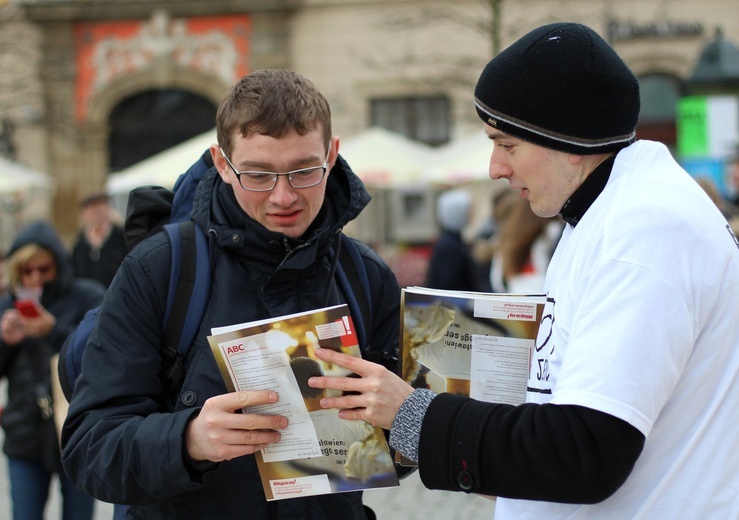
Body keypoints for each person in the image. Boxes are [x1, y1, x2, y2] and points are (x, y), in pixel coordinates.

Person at [306, 22, 739, 518]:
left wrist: (413, 415)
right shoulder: (604, 212)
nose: (495, 167)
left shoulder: (641, 231)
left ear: (565, 137)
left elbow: (586, 452)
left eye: (506, 144)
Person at [61, 69, 401, 520]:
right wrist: (190, 441)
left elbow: (395, 450)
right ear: (222, 163)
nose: (283, 197)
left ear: (332, 155)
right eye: (258, 175)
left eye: (303, 171)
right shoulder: (161, 267)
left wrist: (409, 427)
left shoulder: (366, 276)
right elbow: (90, 449)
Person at [0, 221, 105, 520]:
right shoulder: (7, 304)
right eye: (26, 271)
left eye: (43, 270)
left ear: (58, 264)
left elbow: (103, 355)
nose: (35, 279)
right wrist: (5, 342)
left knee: (79, 515)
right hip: (25, 432)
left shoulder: (86, 296)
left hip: (77, 431)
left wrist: (54, 331)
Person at [488, 191, 562, 294]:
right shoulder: (553, 231)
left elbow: (497, 281)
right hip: (546, 299)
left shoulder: (506, 238)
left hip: (516, 299)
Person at [425, 188, 483, 292]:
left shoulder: (452, 241)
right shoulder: (449, 246)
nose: (470, 216)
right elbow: (448, 285)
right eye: (467, 212)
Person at [71, 193, 128, 289]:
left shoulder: (122, 237)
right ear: (85, 214)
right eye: (94, 211)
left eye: (102, 210)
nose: (98, 216)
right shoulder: (80, 244)